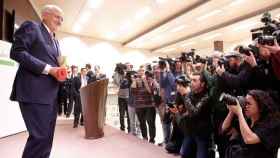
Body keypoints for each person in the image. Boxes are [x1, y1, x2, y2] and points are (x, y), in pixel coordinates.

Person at [9, 4, 64, 158]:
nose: (60, 21)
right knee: (39, 137)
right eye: (57, 16)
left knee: (47, 139)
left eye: (62, 19)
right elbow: (17, 51)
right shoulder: (32, 27)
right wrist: (48, 69)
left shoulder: (56, 42)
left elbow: (55, 66)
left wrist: (60, 71)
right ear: (45, 15)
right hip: (34, 93)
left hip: (51, 96)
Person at [222, 90, 280, 158]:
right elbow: (225, 127)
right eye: (245, 103)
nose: (245, 106)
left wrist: (239, 112)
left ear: (260, 106)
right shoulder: (247, 121)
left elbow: (249, 139)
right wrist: (232, 111)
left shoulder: (272, 124)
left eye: (248, 104)